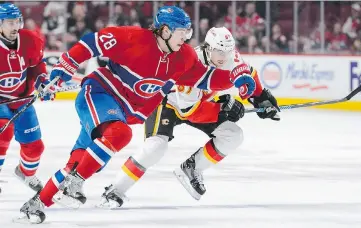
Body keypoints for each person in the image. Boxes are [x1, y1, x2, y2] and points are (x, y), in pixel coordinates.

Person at [17, 6, 257, 224]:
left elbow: (207, 79)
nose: (186, 37)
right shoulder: (133, 37)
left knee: (82, 162)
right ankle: (75, 184)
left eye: (188, 31)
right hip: (100, 94)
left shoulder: (184, 57)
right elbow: (92, 42)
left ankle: (36, 204)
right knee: (120, 134)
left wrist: (238, 79)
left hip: (123, 111)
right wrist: (65, 66)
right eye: (181, 32)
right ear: (164, 31)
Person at [99, 27, 280, 208]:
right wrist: (222, 110)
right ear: (208, 48)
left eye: (228, 51)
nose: (224, 56)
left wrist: (261, 97)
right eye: (219, 51)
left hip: (198, 104)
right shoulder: (191, 63)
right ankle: (115, 190)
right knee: (155, 147)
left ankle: (192, 168)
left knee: (233, 135)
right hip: (167, 103)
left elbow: (248, 73)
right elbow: (189, 112)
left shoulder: (231, 58)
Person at [0, 3, 55, 194]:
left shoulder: (30, 40)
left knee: (35, 147)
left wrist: (42, 82)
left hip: (22, 99)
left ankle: (26, 173)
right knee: (3, 133)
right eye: (10, 22)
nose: (15, 26)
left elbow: (37, 66)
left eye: (17, 21)